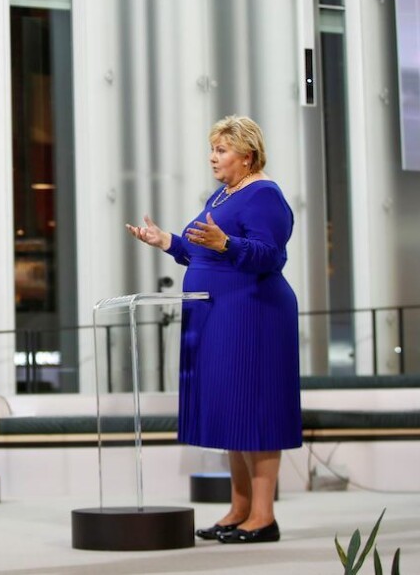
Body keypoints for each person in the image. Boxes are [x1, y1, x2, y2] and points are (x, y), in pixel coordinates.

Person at [126, 115, 301, 544]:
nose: (212, 157)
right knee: (232, 410)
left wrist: (226, 243)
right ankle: (240, 510)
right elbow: (203, 251)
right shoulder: (223, 195)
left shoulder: (264, 195)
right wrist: (166, 241)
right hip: (218, 314)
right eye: (213, 149)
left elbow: (271, 255)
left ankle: (263, 517)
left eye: (221, 150)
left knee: (255, 411)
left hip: (252, 314)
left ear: (248, 156)